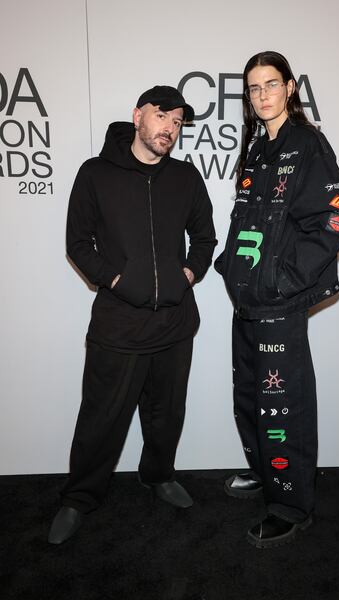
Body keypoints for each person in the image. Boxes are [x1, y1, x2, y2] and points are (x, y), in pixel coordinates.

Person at [48, 86, 217, 544]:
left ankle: (158, 475)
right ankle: (78, 497)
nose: (170, 128)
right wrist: (119, 281)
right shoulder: (96, 174)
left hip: (175, 324)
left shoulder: (185, 178)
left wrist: (186, 275)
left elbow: (205, 238)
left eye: (178, 122)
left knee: (167, 415)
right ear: (138, 116)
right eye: (162, 116)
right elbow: (78, 244)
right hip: (118, 325)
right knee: (101, 419)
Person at [215, 51, 339, 548]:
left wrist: (284, 280)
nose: (262, 95)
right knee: (249, 398)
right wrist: (233, 267)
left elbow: (335, 222)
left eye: (270, 84)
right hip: (247, 301)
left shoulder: (308, 144)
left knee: (283, 406)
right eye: (253, 88)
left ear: (290, 88)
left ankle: (292, 504)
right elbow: (248, 220)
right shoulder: (256, 147)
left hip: (279, 303)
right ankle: (266, 473)